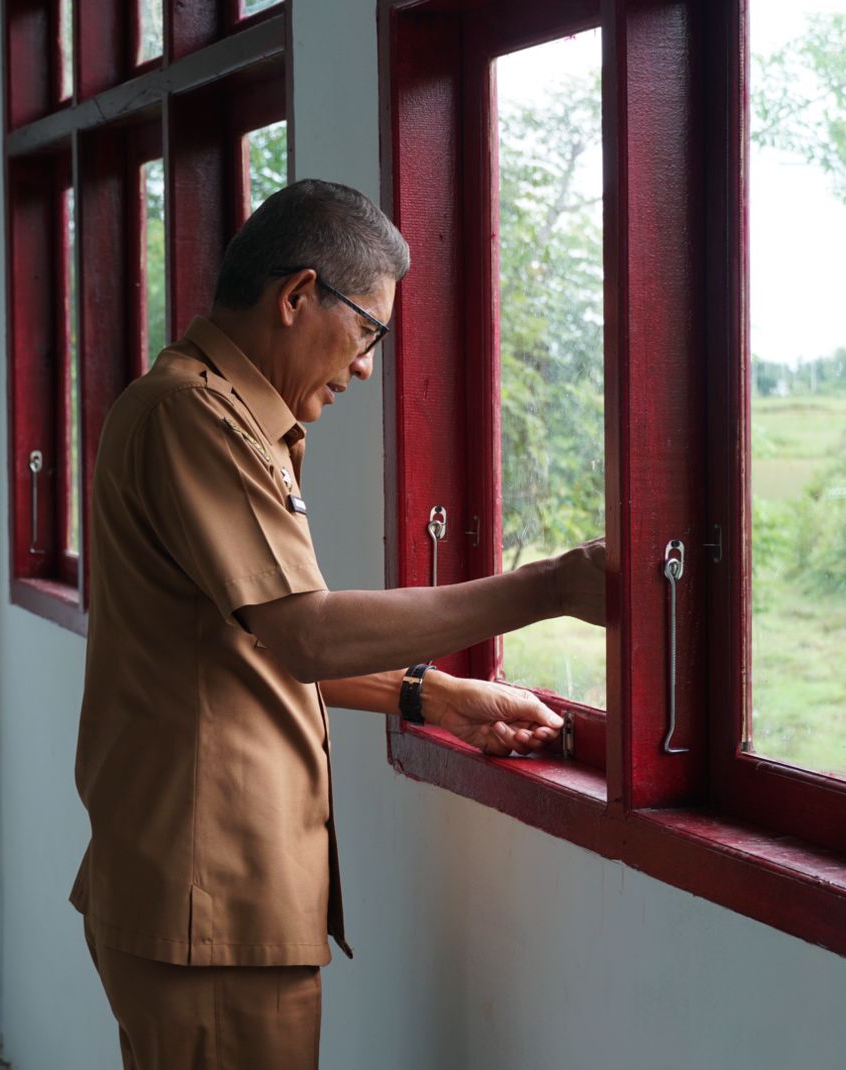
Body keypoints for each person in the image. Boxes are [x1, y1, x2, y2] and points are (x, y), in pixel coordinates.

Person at [70, 179, 606, 1069]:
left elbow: (238, 642)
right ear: (295, 297)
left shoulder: (227, 415)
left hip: (215, 900)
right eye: (368, 332)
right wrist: (544, 586)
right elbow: (304, 634)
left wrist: (425, 694)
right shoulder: (190, 414)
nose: (364, 367)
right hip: (210, 905)